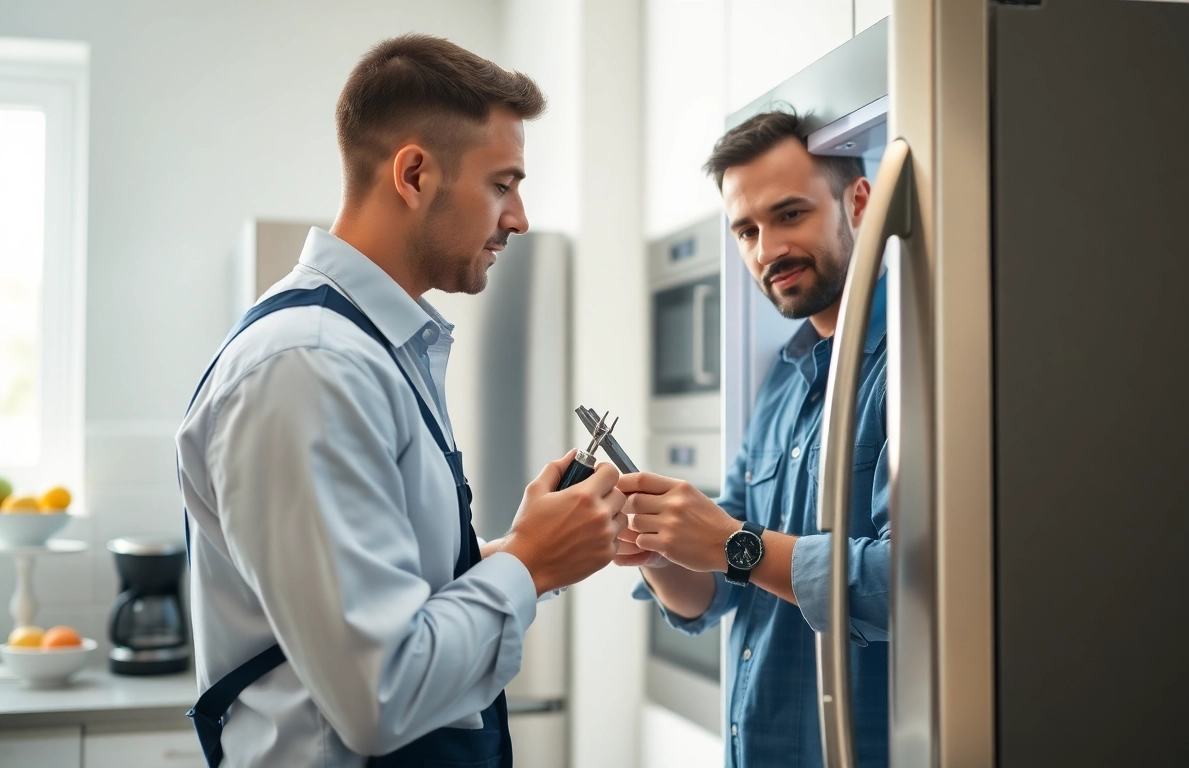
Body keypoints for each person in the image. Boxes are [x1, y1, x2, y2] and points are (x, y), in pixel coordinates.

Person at [176, 34, 626, 768]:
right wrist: (532, 566)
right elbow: (379, 695)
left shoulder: (369, 350)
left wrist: (523, 546)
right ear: (414, 173)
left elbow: (387, 597)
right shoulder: (310, 367)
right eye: (502, 184)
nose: (519, 218)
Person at [616, 110, 890, 768]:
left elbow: (906, 590)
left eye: (789, 215)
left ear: (859, 204)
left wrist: (733, 545)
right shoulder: (782, 382)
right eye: (746, 229)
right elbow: (721, 588)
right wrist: (656, 548)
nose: (766, 250)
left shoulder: (913, 367)